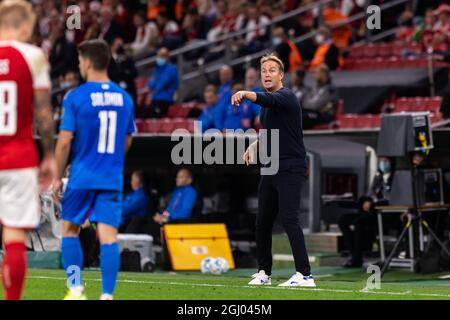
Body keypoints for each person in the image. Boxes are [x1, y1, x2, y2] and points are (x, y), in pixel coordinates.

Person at [54, 39, 135, 300]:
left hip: (81, 175)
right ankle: (107, 295)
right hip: (111, 176)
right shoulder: (124, 98)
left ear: (87, 62)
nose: (79, 66)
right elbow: (128, 139)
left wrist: (57, 177)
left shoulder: (76, 96)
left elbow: (65, 140)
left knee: (70, 230)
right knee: (108, 236)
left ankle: (76, 289)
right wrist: (111, 159)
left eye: (79, 61)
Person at [231, 53, 315, 287]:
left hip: (290, 166)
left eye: (271, 70)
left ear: (281, 75)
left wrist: (244, 93)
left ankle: (305, 274)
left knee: (289, 219)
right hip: (271, 166)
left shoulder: (286, 96)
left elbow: (267, 100)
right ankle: (264, 272)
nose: (267, 74)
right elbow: (269, 130)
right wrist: (255, 145)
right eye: (264, 71)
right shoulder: (267, 106)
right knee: (262, 222)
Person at [0, 0, 56, 300]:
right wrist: (48, 155)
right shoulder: (33, 56)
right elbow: (44, 113)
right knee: (14, 239)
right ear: (23, 25)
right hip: (18, 159)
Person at [338, 157, 396, 268]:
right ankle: (354, 253)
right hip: (371, 211)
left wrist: (374, 204)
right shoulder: (377, 177)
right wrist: (367, 201)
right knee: (343, 220)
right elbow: (370, 195)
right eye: (381, 161)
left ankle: (357, 257)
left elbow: (392, 199)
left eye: (386, 161)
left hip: (385, 213)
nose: (383, 163)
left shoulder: (395, 179)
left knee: (358, 222)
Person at [146, 47, 179, 118]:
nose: (159, 58)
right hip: (155, 99)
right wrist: (154, 84)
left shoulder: (171, 69)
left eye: (162, 56)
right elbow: (150, 85)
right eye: (158, 56)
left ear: (167, 57)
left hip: (166, 100)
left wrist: (155, 83)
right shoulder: (157, 69)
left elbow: (161, 84)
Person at [302, 64, 337, 130]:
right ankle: (276, 140)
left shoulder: (330, 89)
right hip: (312, 113)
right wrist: (310, 105)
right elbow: (304, 103)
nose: (314, 75)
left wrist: (310, 105)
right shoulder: (315, 88)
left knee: (302, 118)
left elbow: (318, 105)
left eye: (317, 72)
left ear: (323, 74)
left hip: (323, 116)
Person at [108, 35, 138, 106]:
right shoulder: (108, 61)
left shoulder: (128, 59)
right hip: (113, 92)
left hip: (128, 91)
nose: (120, 47)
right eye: (118, 45)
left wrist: (125, 73)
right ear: (112, 46)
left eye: (121, 45)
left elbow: (135, 73)